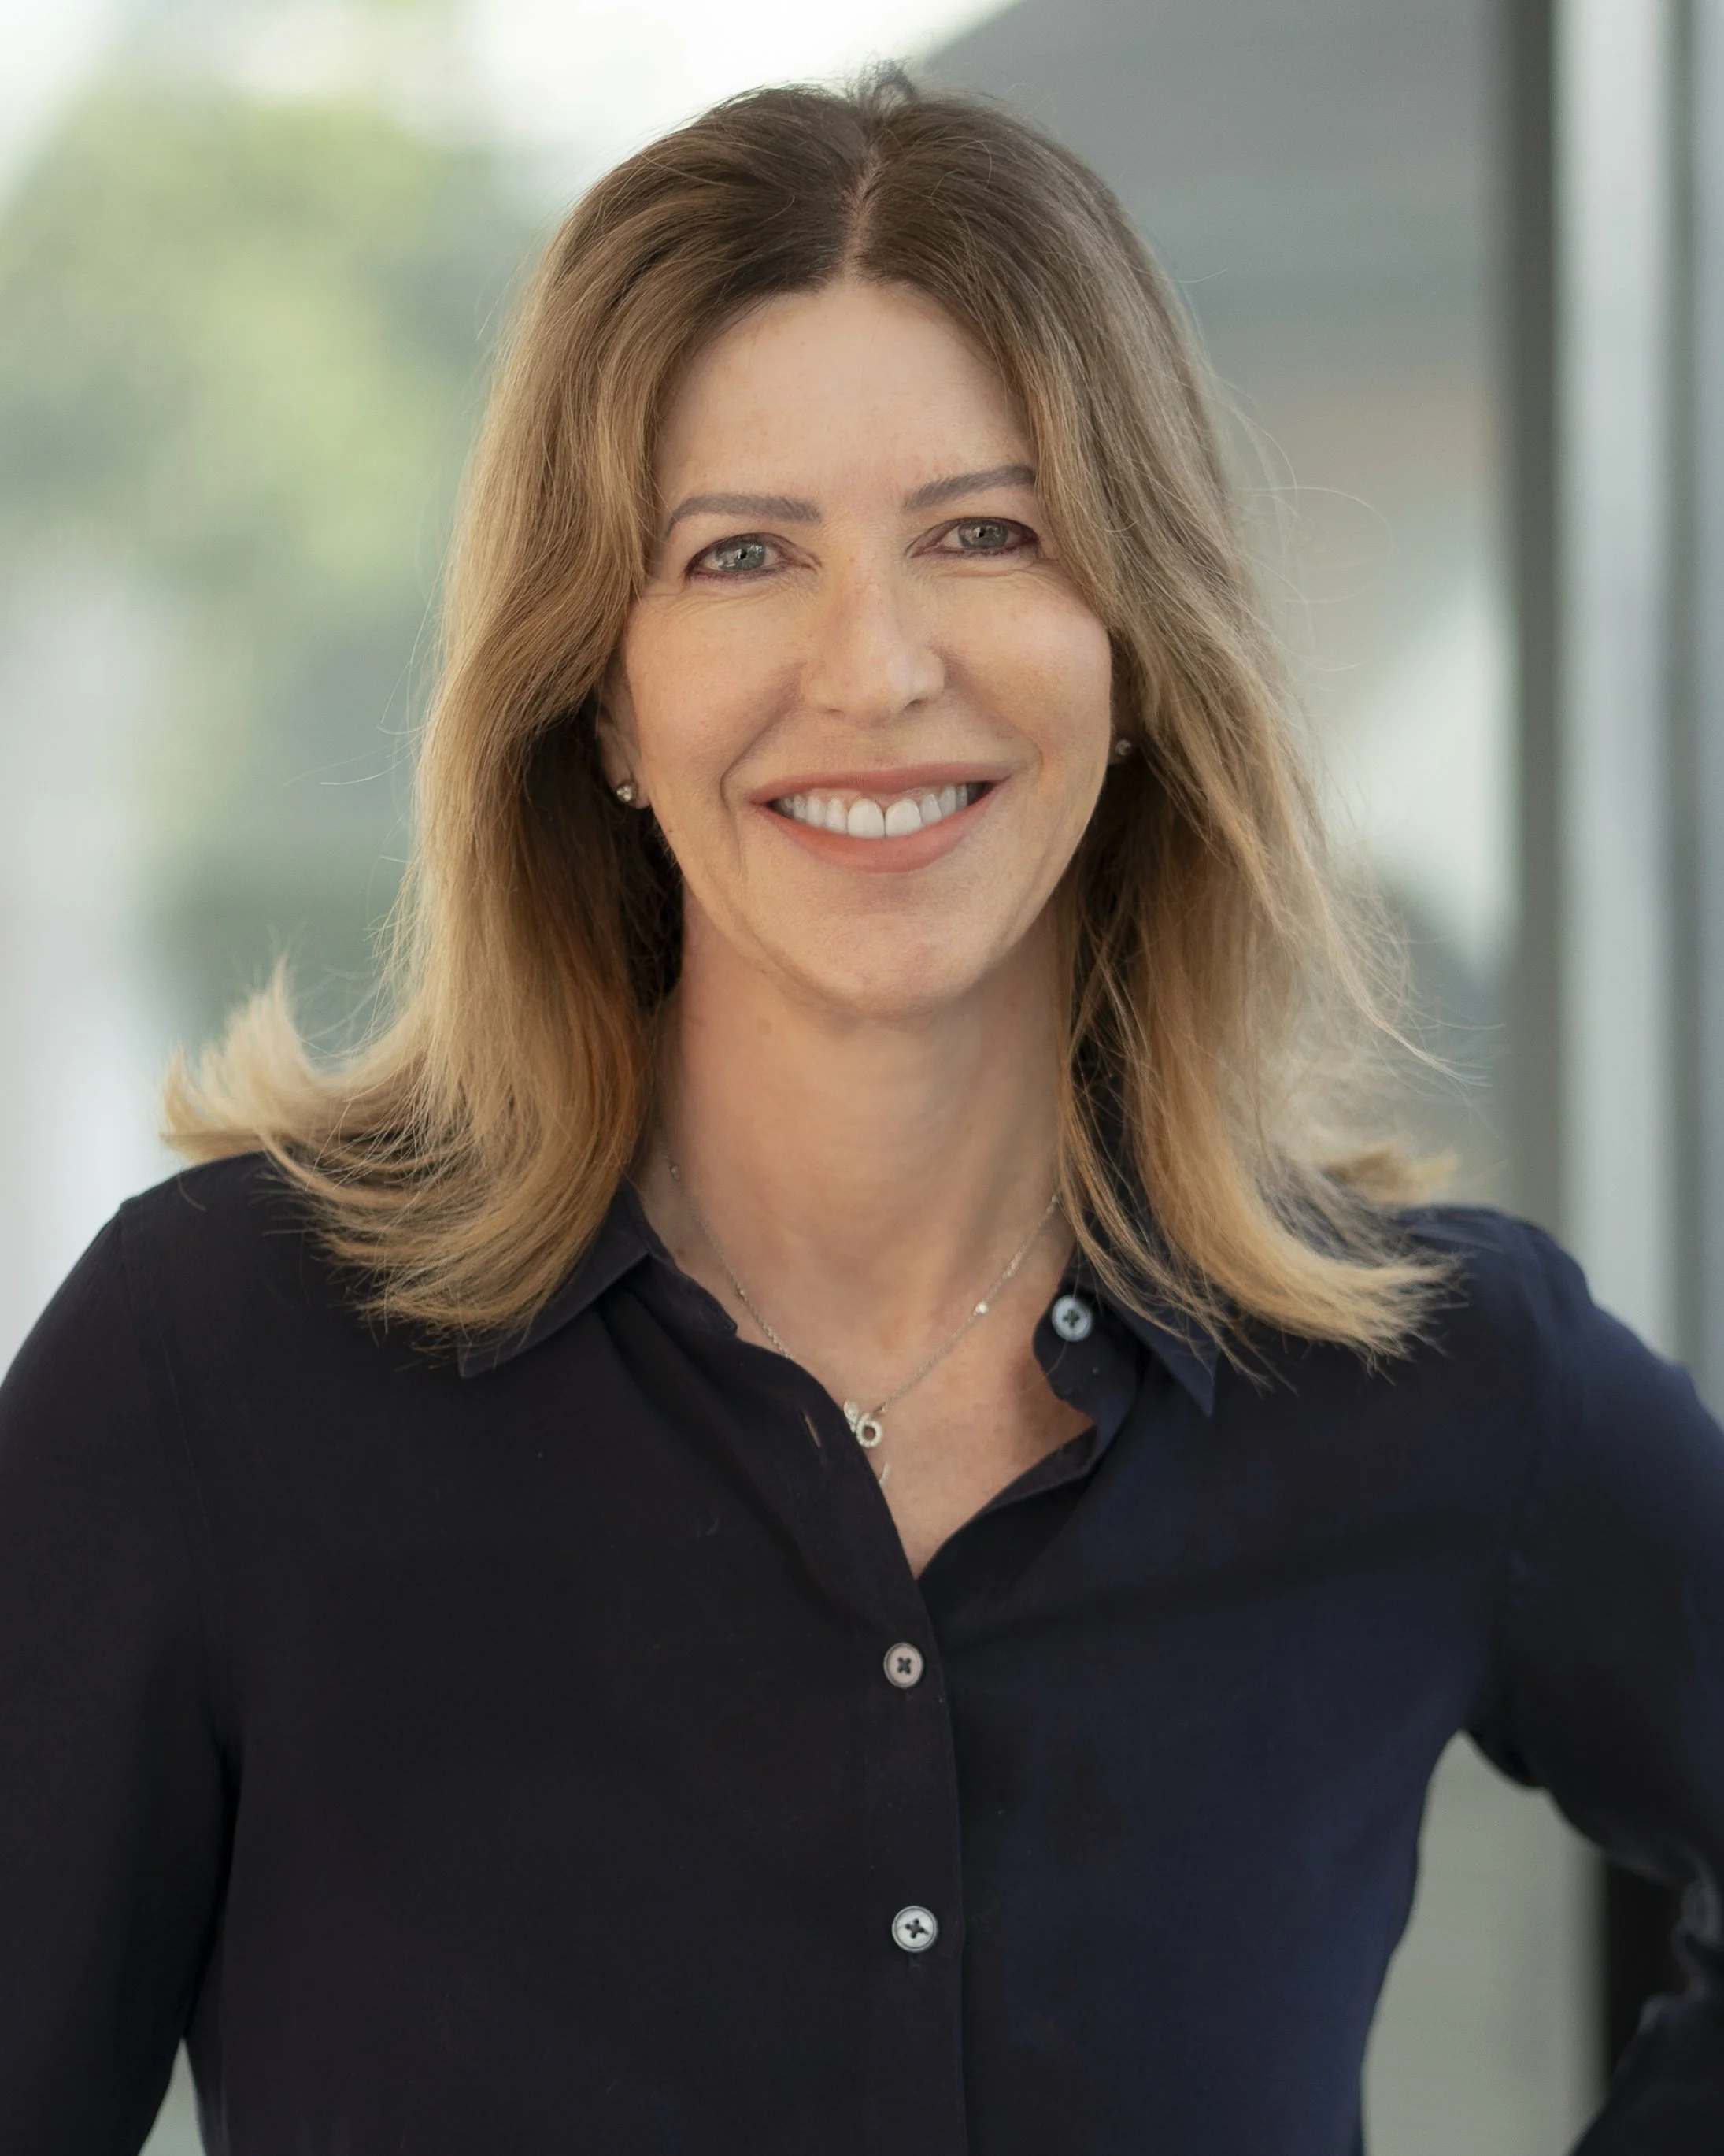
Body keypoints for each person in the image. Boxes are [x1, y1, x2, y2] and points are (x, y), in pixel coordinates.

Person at [1, 69, 1720, 2156]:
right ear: (601, 692)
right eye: (739, 557)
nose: (874, 666)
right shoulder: (215, 1370)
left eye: (983, 533)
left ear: (1134, 642)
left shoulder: (1437, 1385)